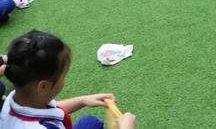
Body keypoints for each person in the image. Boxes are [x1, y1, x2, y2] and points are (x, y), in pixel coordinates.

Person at [0, 30, 137, 129]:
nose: (63, 80)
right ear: (43, 86)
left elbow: (52, 108)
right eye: (63, 76)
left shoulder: (16, 99)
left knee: (90, 122)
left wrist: (83, 101)